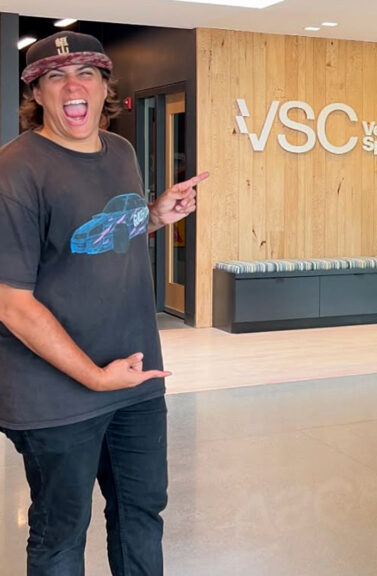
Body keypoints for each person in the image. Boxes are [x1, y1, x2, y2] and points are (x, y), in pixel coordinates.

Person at [0, 31, 208, 575]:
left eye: (86, 74)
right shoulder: (15, 171)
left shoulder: (121, 152)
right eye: (55, 77)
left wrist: (154, 216)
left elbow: (104, 233)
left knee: (142, 513)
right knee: (61, 534)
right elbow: (11, 303)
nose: (73, 87)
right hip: (54, 395)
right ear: (37, 94)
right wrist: (95, 377)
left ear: (104, 87)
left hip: (136, 377)